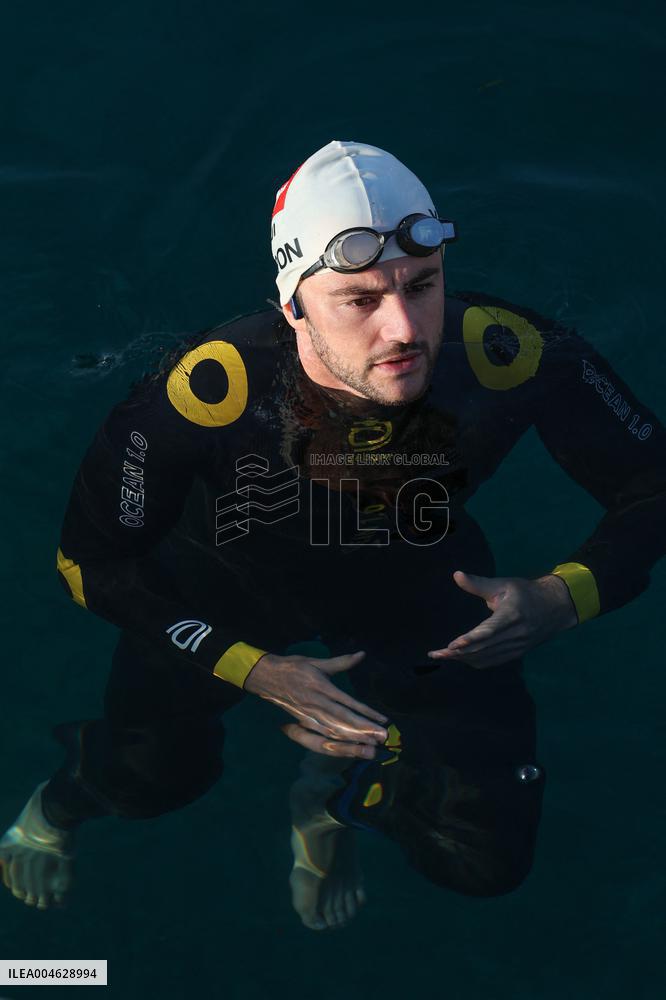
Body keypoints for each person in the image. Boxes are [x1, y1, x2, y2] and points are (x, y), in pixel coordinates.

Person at [1, 140, 665, 928]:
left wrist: (565, 595)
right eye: (359, 300)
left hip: (420, 581)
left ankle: (338, 802)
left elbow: (653, 484)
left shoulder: (506, 354)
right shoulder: (207, 393)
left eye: (423, 286)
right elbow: (87, 565)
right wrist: (249, 666)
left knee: (485, 856)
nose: (404, 329)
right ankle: (60, 803)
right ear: (293, 305)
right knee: (149, 784)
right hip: (225, 590)